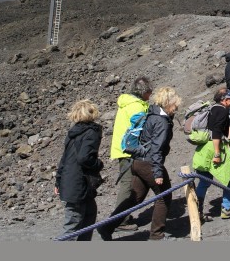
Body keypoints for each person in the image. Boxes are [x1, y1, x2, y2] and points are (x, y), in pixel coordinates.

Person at [99, 87, 182, 241]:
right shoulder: (162, 121)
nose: (177, 107)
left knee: (135, 198)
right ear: (169, 103)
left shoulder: (151, 113)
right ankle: (157, 236)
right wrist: (157, 172)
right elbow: (156, 149)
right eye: (175, 104)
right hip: (149, 164)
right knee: (164, 196)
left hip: (137, 162)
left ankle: (106, 227)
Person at [55, 99, 104, 241]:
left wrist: (58, 181)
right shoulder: (92, 131)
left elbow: (64, 159)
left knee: (89, 215)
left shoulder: (73, 131)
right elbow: (84, 158)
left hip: (71, 181)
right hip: (79, 184)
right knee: (72, 226)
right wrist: (98, 164)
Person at [109, 76, 152, 230]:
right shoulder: (137, 107)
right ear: (144, 91)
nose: (151, 94)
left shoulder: (128, 103)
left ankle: (123, 215)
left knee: (130, 183)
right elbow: (139, 131)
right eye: (149, 91)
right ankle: (119, 220)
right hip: (129, 151)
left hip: (122, 148)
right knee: (127, 185)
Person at [192, 88, 230, 221]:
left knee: (204, 180)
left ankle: (197, 212)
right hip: (214, 148)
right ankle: (227, 208)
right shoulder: (222, 111)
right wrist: (217, 153)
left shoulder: (212, 109)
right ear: (224, 99)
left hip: (204, 149)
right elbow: (216, 132)